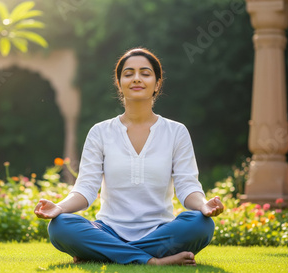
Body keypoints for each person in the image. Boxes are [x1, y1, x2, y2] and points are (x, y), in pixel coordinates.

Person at [34, 47, 224, 266]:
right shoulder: (100, 132)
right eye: (128, 73)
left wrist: (203, 205)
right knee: (60, 226)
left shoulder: (176, 132)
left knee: (201, 224)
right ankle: (152, 261)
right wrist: (59, 207)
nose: (136, 79)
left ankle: (105, 253)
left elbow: (187, 186)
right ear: (119, 83)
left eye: (145, 73)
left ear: (157, 83)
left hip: (160, 231)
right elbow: (85, 189)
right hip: (108, 230)